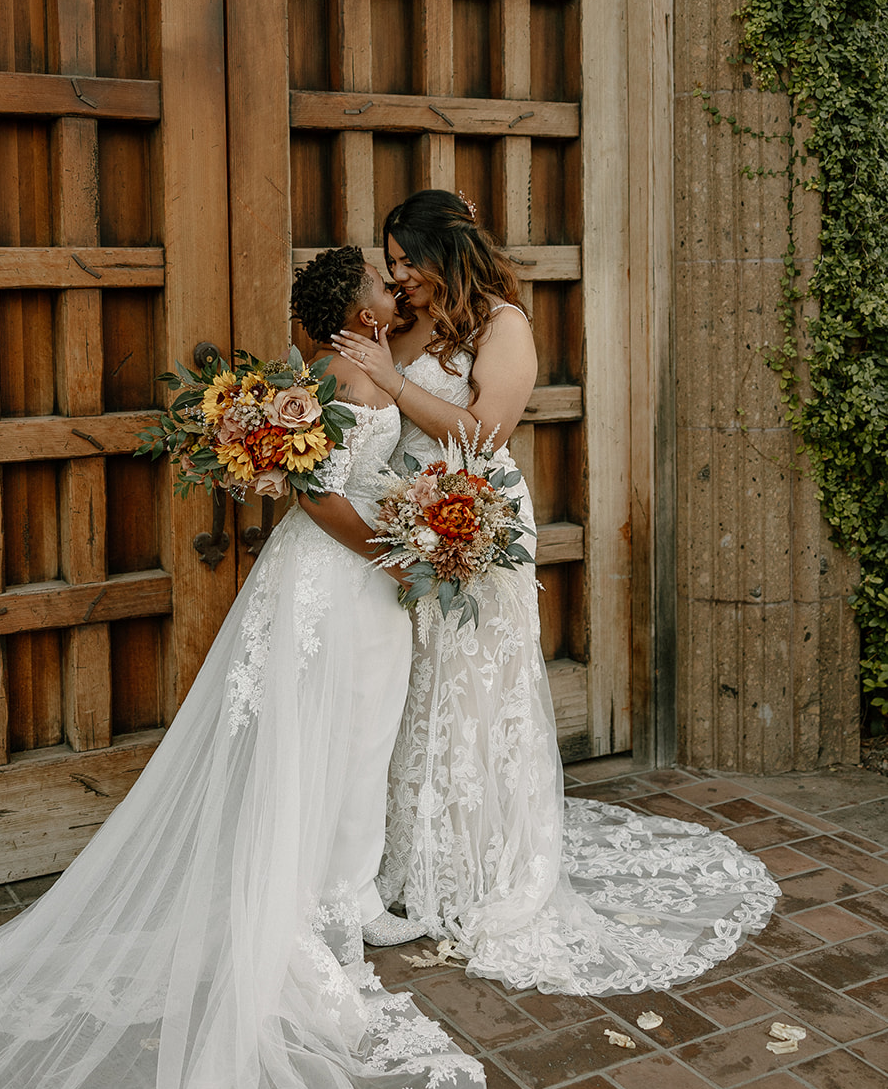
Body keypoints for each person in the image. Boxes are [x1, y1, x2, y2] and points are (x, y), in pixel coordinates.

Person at [0, 248, 487, 1089]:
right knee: (322, 747)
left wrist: (418, 529)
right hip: (334, 586)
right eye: (384, 287)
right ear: (354, 306)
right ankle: (313, 927)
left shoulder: (352, 370)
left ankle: (339, 905)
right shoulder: (331, 379)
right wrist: (401, 548)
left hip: (357, 592)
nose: (398, 295)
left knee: (351, 749)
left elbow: (388, 456)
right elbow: (312, 497)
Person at [332, 191, 778, 995]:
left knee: (473, 687)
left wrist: (392, 384)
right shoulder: (402, 320)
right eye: (390, 264)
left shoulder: (503, 324)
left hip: (472, 521)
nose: (397, 276)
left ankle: (481, 862)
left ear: (447, 253)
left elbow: (482, 431)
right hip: (404, 525)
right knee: (411, 689)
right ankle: (406, 859)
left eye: (407, 262)